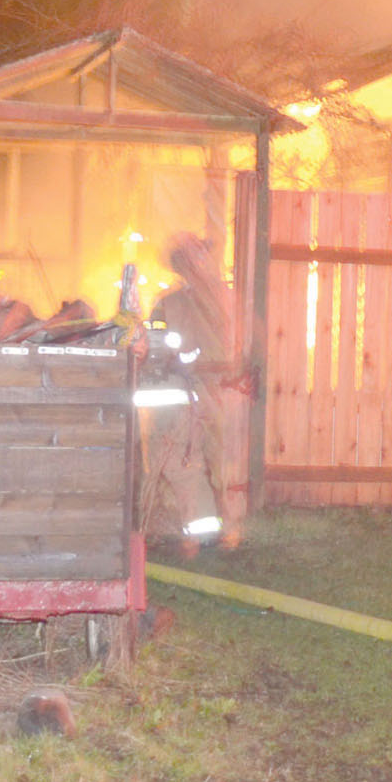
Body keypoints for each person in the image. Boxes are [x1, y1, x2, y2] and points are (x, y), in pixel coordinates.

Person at [146, 234, 245, 547]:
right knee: (188, 462)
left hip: (220, 389)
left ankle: (228, 529)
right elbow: (157, 345)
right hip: (188, 391)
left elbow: (240, 343)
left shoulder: (226, 299)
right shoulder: (170, 303)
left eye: (200, 256)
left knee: (223, 462)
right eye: (191, 258)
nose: (199, 263)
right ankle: (196, 531)